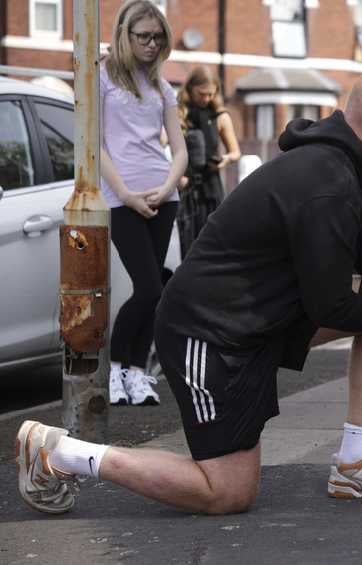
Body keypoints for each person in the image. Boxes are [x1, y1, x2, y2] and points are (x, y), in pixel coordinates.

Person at [15, 68, 362, 516]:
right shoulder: (326, 182)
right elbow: (329, 305)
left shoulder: (340, 168)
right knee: (227, 492)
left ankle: (355, 459)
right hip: (208, 335)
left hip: (254, 321)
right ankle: (60, 452)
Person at [98, 0, 187, 407]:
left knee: (155, 292)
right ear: (125, 35)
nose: (152, 44)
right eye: (144, 37)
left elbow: (180, 151)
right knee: (149, 287)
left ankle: (137, 374)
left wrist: (169, 185)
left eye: (158, 38)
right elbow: (95, 146)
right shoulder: (100, 78)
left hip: (162, 195)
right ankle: (116, 371)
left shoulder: (162, 88)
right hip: (122, 198)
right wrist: (127, 195)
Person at [176, 65, 241, 258]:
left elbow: (235, 152)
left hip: (211, 188)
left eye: (210, 94)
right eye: (201, 93)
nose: (206, 99)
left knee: (213, 245)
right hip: (185, 188)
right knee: (188, 247)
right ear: (190, 89)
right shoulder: (179, 114)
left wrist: (224, 160)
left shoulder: (221, 117)